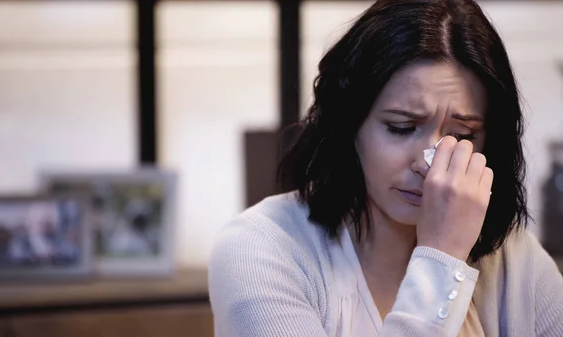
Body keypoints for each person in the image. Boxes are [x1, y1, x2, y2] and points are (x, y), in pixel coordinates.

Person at [208, 0, 563, 336]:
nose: (430, 163)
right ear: (350, 124)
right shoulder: (262, 250)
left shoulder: (515, 258)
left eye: (461, 134)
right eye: (401, 128)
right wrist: (442, 258)